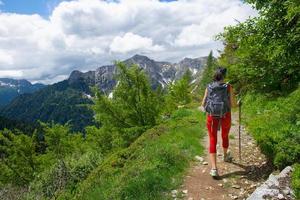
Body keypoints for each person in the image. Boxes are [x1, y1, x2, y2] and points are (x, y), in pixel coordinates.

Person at [200, 67, 236, 178]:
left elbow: (203, 103)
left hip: (211, 117)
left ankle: (214, 169)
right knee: (225, 135)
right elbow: (233, 104)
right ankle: (225, 156)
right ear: (224, 76)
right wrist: (239, 103)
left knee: (212, 139)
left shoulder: (209, 87)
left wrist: (209, 109)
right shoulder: (228, 87)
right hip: (225, 115)